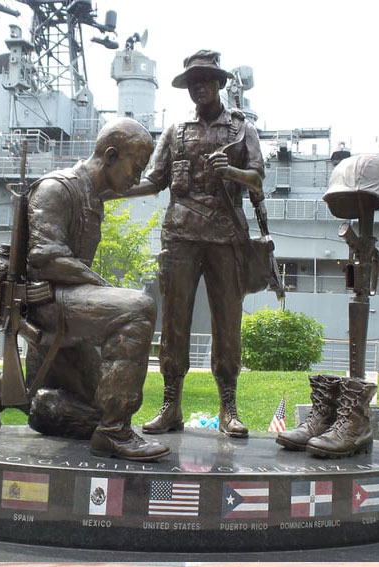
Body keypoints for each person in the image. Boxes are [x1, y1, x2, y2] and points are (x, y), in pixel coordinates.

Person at [0, 117, 169, 461]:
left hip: (67, 299)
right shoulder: (58, 188)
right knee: (138, 307)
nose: (137, 177)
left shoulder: (91, 194)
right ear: (111, 156)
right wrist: (102, 287)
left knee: (91, 412)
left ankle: (19, 398)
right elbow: (47, 259)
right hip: (48, 301)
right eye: (135, 166)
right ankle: (114, 432)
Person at [124, 50, 265, 438]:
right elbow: (155, 180)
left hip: (225, 237)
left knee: (227, 323)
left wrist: (232, 171)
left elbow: (257, 178)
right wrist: (110, 190)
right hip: (181, 236)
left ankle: (229, 408)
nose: (199, 87)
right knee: (174, 323)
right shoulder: (175, 130)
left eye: (206, 80)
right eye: (192, 82)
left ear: (219, 83)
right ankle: (170, 405)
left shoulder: (241, 129)